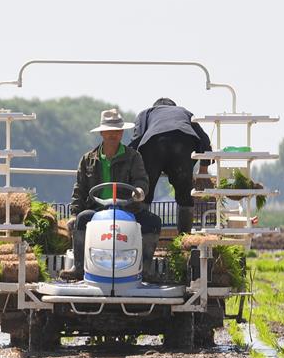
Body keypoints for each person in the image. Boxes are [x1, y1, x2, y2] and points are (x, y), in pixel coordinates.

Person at [60, 108, 162, 281]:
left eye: (117, 130)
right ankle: (78, 268)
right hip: (97, 210)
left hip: (129, 210)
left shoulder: (133, 157)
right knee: (82, 218)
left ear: (122, 132)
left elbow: (141, 180)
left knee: (153, 222)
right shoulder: (88, 159)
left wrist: (139, 191)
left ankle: (145, 269)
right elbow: (80, 189)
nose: (113, 134)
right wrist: (75, 213)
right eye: (109, 130)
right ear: (102, 133)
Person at [128, 98, 213, 234]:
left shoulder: (146, 113)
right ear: (174, 107)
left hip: (153, 144)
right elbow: (204, 139)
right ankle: (184, 241)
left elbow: (136, 140)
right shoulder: (185, 112)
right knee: (185, 196)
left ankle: (139, 236)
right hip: (183, 142)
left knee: (144, 191)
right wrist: (204, 168)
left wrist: (129, 166)